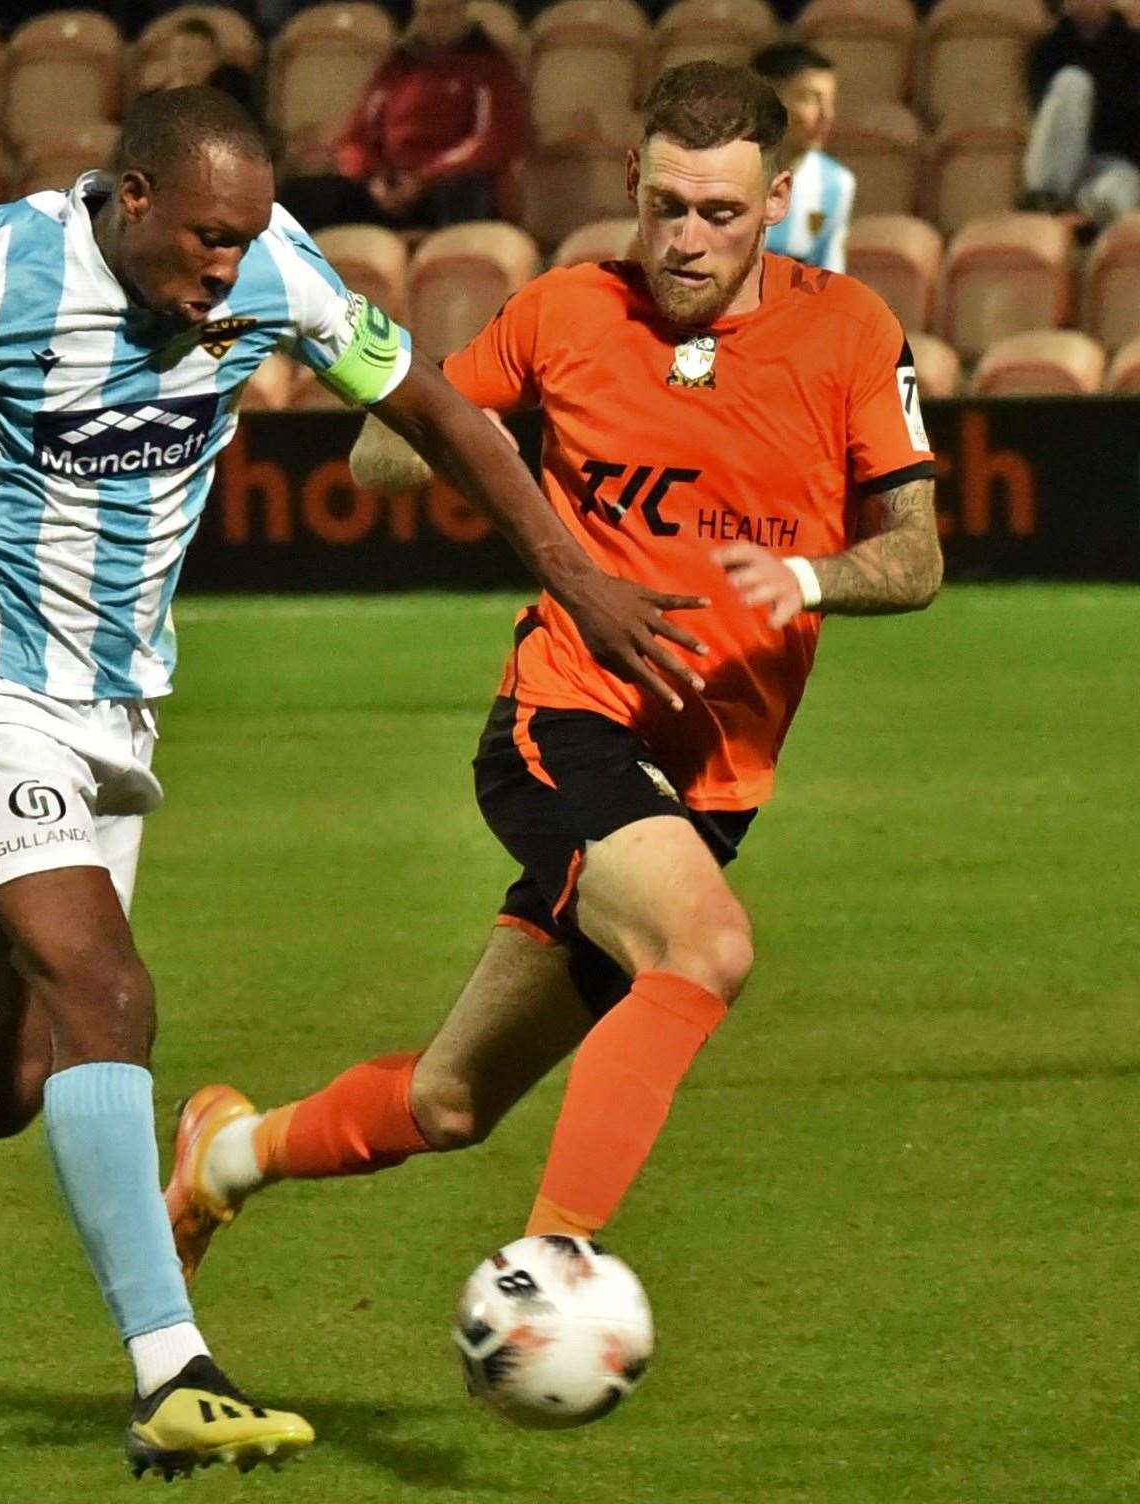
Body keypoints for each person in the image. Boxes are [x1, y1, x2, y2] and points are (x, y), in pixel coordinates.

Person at [0, 85, 710, 1475]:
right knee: (110, 994)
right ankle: (172, 1372)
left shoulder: (275, 263)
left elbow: (433, 409)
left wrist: (579, 579)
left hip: (112, 711)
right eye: (206, 237)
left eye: (245, 238)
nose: (229, 267)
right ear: (133, 198)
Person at [163, 62, 942, 1291]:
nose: (686, 241)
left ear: (777, 199)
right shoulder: (563, 313)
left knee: (448, 1101)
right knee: (704, 947)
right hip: (562, 719)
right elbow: (380, 461)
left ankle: (225, 1156)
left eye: (721, 215)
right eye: (667, 206)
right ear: (631, 179)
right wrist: (438, 420)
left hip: (709, 789)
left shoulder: (848, 332)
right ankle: (549, 1272)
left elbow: (914, 558)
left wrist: (810, 581)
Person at [278, 0, 525, 232]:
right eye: (428, 12)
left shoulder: (490, 65)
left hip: (446, 183)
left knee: (469, 192)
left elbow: (493, 141)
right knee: (300, 195)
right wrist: (374, 178)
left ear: (464, 9)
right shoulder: (398, 65)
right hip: (389, 181)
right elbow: (358, 134)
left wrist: (424, 179)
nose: (437, 20)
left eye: (446, 10)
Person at [1020, 0, 1140, 226]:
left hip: (1113, 159)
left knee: (1114, 195)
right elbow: (1046, 116)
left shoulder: (1133, 47)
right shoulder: (1048, 50)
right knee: (1072, 81)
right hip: (1058, 159)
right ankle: (1048, 198)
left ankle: (1083, 217)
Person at [752, 43, 853, 273]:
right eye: (811, 99)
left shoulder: (837, 184)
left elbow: (829, 278)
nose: (827, 115)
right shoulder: (721, 171)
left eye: (830, 102)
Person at [139, 16, 256, 117]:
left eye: (200, 56)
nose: (190, 64)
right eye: (183, 54)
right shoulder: (151, 99)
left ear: (216, 60)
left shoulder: (229, 99)